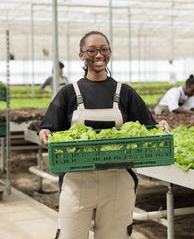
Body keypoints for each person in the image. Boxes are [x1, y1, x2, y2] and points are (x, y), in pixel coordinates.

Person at [39, 31, 170, 239]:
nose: (98, 55)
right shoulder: (69, 93)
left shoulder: (125, 92)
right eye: (91, 50)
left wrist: (159, 126)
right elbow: (49, 127)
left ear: (109, 53)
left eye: (103, 49)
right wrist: (44, 132)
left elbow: (148, 127)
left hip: (118, 181)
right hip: (77, 181)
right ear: (82, 55)